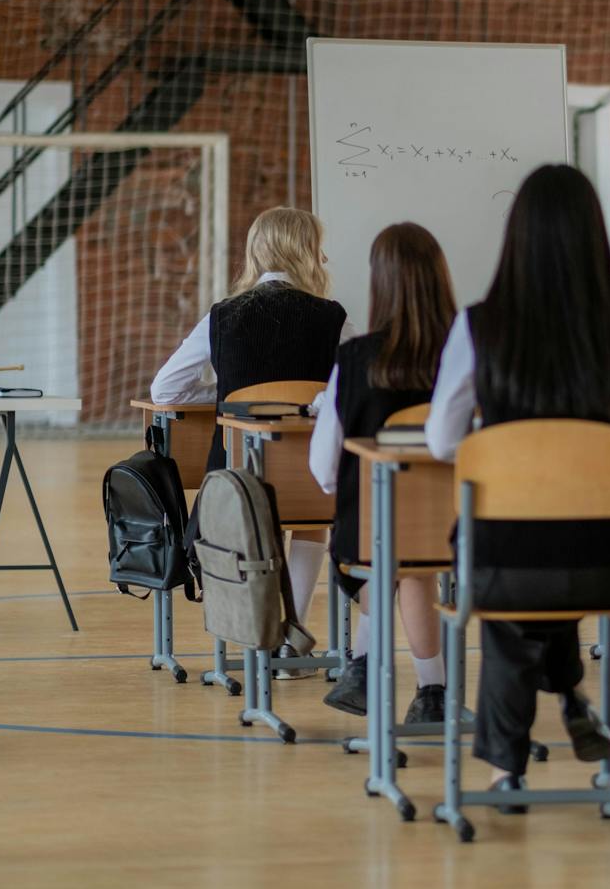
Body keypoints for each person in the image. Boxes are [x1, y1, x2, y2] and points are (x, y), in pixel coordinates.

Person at [426, 164, 610, 804]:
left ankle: (507, 769)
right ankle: (575, 696)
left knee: (510, 596)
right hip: (608, 563)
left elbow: (443, 441)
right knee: (549, 571)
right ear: (596, 237)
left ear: (516, 236)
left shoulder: (479, 326)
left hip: (505, 560)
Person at [151, 206, 354, 669]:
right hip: (310, 479)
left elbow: (163, 389)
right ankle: (294, 628)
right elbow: (353, 383)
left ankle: (250, 631)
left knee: (252, 509)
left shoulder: (222, 316)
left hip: (237, 480)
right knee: (313, 517)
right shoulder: (334, 318)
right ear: (308, 253)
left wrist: (226, 392)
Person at [309, 223, 455, 723]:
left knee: (390, 547)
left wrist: (341, 491)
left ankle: (367, 665)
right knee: (415, 563)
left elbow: (324, 466)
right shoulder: (467, 354)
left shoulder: (354, 358)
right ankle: (431, 691)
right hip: (463, 527)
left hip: (370, 525)